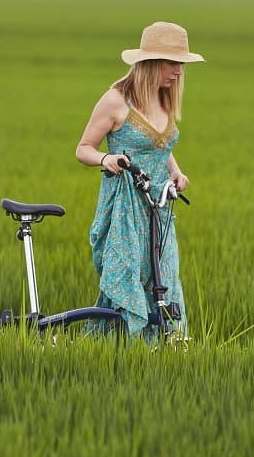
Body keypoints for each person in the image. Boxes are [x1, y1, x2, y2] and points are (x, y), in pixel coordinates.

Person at [75, 21, 204, 337]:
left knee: (164, 278)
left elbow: (159, 145)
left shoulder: (163, 98)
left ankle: (162, 349)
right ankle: (121, 349)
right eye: (172, 63)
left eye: (181, 65)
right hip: (126, 206)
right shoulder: (116, 101)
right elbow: (83, 149)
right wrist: (108, 158)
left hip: (157, 205)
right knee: (130, 277)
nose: (178, 71)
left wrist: (175, 171)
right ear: (150, 62)